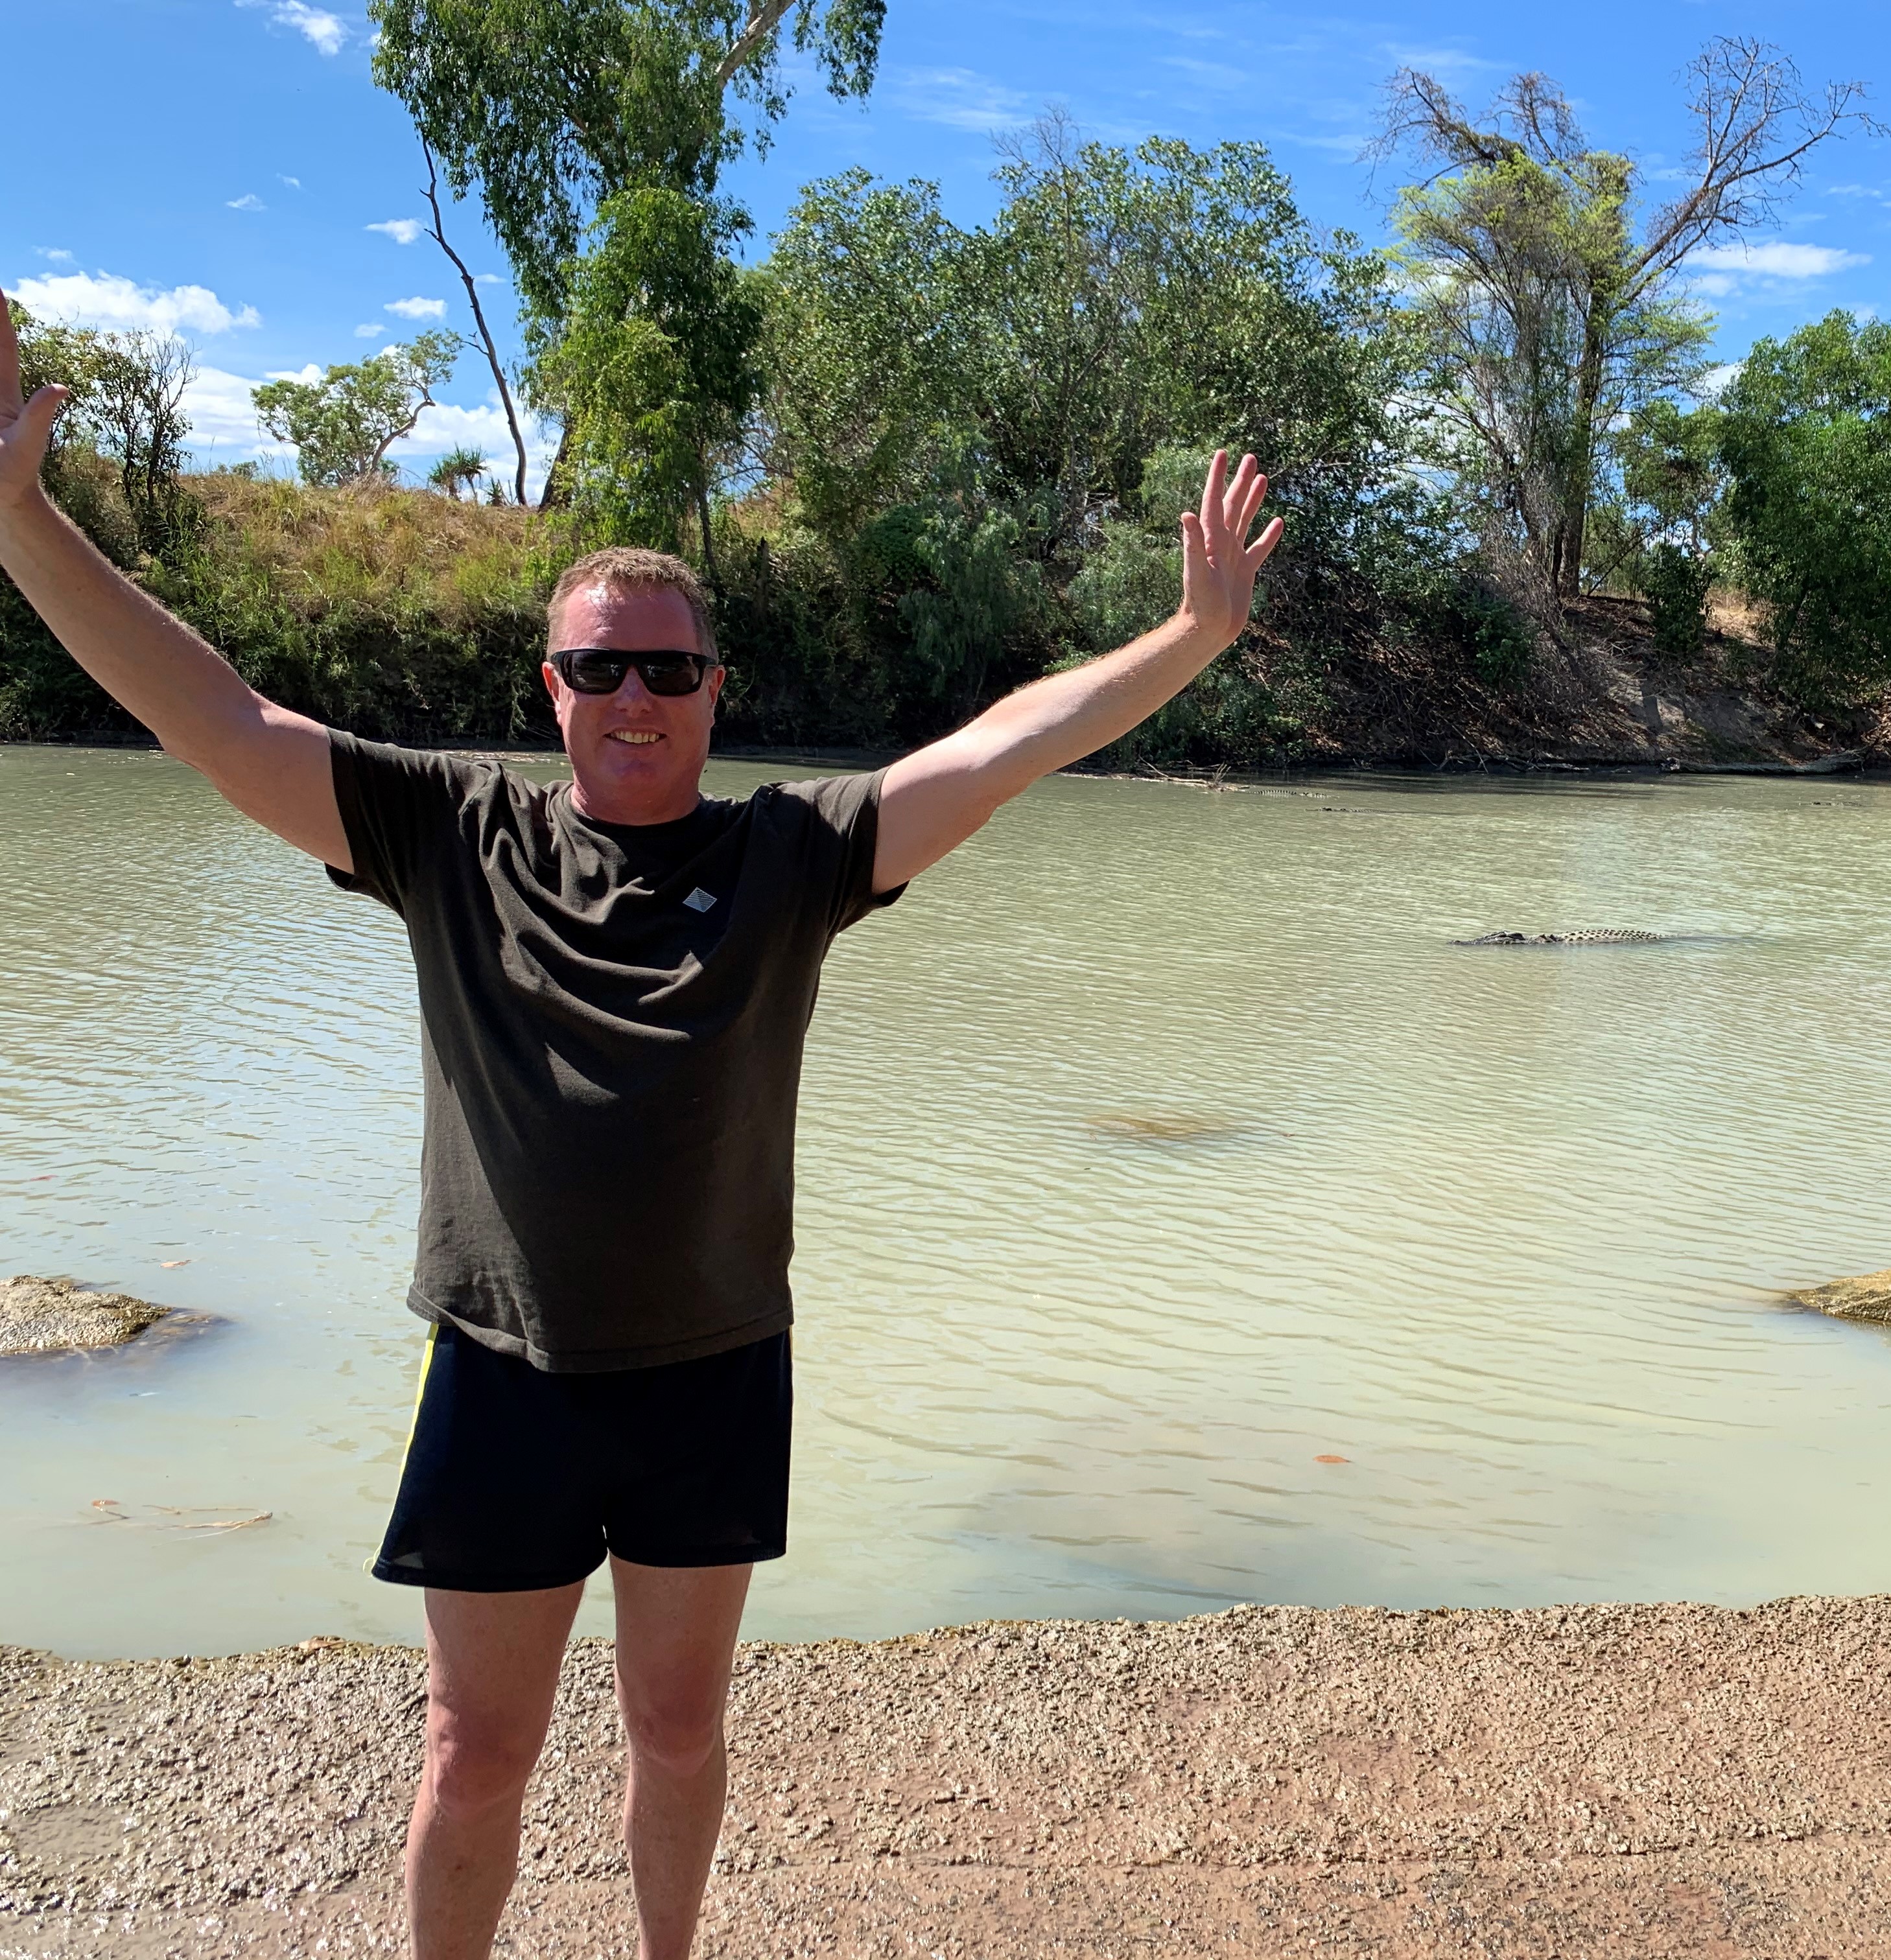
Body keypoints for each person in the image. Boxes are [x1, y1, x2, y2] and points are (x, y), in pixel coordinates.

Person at [0, 294, 1281, 1960]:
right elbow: (222, 719)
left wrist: (1187, 639)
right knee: (475, 1751)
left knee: (678, 1735)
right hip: (504, 1367)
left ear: (711, 691)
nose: (635, 695)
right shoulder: (451, 832)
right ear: (552, 687)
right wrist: (23, 525)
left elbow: (994, 751)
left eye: (667, 669)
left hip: (713, 1369)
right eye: (600, 666)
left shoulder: (792, 855)